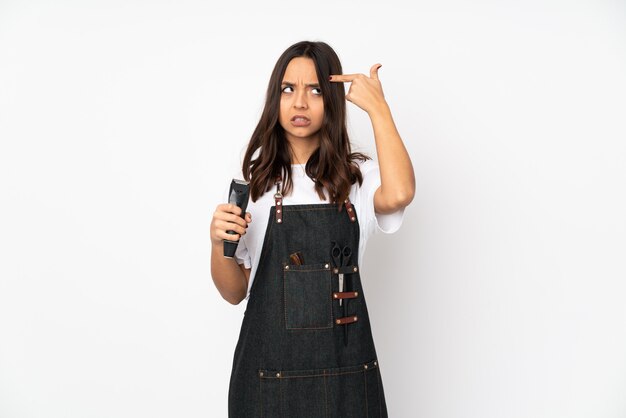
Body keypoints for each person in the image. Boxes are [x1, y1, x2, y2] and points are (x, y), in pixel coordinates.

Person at [210, 40, 415, 417]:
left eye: (316, 90)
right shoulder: (253, 184)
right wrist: (217, 243)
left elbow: (400, 193)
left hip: (345, 380)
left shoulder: (355, 178)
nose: (300, 103)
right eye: (288, 89)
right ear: (276, 98)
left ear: (333, 101)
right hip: (266, 379)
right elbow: (234, 291)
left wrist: (379, 110)